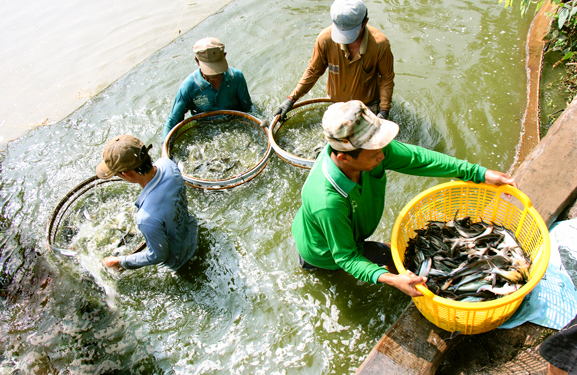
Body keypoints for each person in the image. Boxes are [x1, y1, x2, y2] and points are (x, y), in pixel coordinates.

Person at [291, 100, 517, 297]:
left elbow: (418, 159)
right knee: (387, 253)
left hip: (335, 228)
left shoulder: (367, 154)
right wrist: (391, 279)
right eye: (374, 154)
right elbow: (346, 257)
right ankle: (399, 285)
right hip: (322, 250)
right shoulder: (327, 202)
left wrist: (479, 173)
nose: (384, 155)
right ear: (344, 158)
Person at [273, 0, 394, 121]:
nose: (345, 38)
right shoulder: (325, 39)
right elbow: (313, 71)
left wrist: (384, 111)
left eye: (350, 32)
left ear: (365, 22)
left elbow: (386, 78)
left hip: (368, 103)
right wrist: (291, 99)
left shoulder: (380, 44)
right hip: (338, 103)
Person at [96, 135, 198, 272]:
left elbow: (159, 255)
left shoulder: (145, 219)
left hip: (180, 260)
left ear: (126, 174)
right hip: (192, 232)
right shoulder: (168, 165)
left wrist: (120, 262)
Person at [162, 37, 255, 141]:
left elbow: (248, 108)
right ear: (197, 61)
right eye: (210, 70)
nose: (214, 75)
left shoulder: (236, 77)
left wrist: (261, 121)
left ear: (225, 56)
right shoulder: (189, 87)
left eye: (217, 69)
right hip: (206, 134)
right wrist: (164, 148)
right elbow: (173, 121)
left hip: (236, 127)